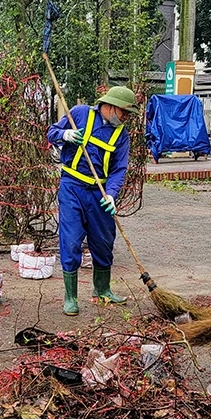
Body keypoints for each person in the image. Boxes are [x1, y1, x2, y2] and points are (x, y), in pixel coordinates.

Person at [47, 86, 138, 316]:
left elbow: (119, 169)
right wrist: (64, 135)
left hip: (99, 194)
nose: (126, 118)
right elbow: (52, 132)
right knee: (71, 240)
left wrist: (111, 194)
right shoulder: (79, 114)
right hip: (72, 187)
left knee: (104, 240)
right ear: (109, 106)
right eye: (124, 112)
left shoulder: (121, 135)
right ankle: (70, 297)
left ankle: (102, 290)